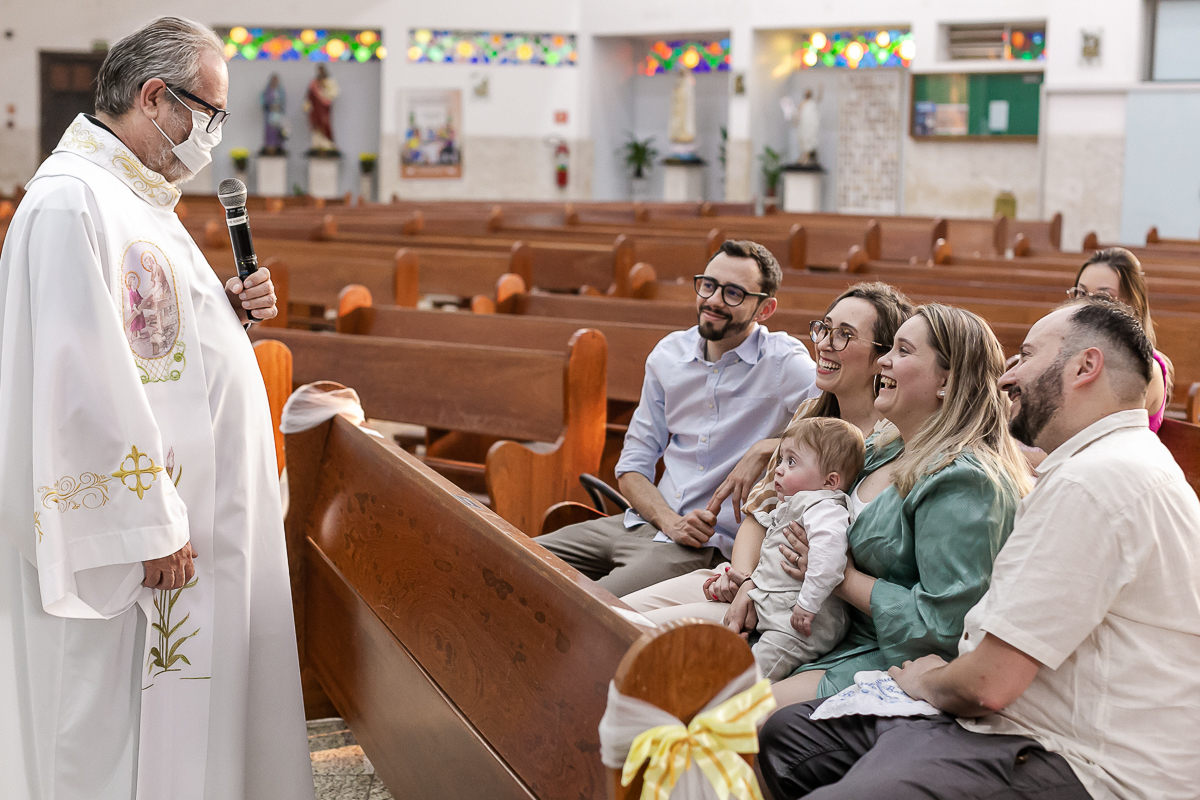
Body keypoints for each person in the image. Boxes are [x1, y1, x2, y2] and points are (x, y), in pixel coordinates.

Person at [0, 17, 313, 800]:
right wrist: (149, 524)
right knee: (119, 743)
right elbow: (77, 388)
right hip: (147, 552)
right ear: (152, 96)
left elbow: (150, 340)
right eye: (206, 113)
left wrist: (227, 312)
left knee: (199, 730)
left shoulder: (138, 195)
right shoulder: (71, 203)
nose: (210, 137)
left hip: (200, 528)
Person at [758, 299, 1200, 800]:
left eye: (1027, 356)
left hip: (1086, 760)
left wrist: (928, 682)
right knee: (789, 737)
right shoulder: (1107, 465)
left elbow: (988, 682)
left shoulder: (1095, 482)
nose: (1008, 378)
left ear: (1085, 367)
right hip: (1017, 723)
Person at [763, 304, 1031, 705]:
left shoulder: (965, 481)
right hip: (808, 616)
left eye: (904, 351)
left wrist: (841, 578)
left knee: (731, 723)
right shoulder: (884, 446)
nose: (884, 360)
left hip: (888, 656)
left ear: (947, 380)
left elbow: (946, 624)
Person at [536, 240, 818, 596]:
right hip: (639, 523)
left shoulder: (785, 365)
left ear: (764, 308)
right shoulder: (669, 355)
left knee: (587, 602)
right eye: (708, 285)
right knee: (508, 555)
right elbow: (632, 467)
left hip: (705, 546)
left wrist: (768, 448)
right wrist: (669, 521)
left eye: (733, 293)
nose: (714, 300)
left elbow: (845, 432)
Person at [623, 282, 913, 618]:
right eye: (824, 328)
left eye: (843, 335)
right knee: (615, 615)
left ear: (883, 355)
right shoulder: (810, 414)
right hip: (752, 578)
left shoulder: (890, 439)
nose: (822, 344)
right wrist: (742, 578)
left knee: (640, 635)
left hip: (799, 605)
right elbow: (758, 514)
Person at [644, 417, 864, 684]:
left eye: (791, 462)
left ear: (830, 481)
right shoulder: (796, 502)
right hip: (775, 603)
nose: (779, 470)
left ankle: (728, 702)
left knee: (750, 674)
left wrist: (807, 605)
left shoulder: (826, 509)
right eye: (781, 460)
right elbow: (772, 556)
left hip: (804, 621)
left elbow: (829, 562)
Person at [1071, 247, 1173, 430]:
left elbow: (1091, 441)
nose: (1086, 304)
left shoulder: (1146, 368)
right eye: (1081, 293)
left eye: (1103, 297)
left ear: (1132, 304)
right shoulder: (1072, 351)